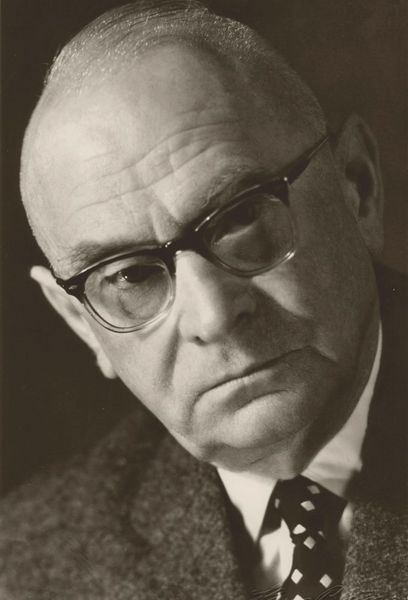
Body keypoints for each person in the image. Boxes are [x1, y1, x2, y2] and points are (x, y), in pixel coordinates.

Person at [1, 1, 406, 599]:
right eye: (131, 277)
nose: (213, 317)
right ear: (81, 323)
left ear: (357, 187)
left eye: (241, 219)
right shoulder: (27, 569)